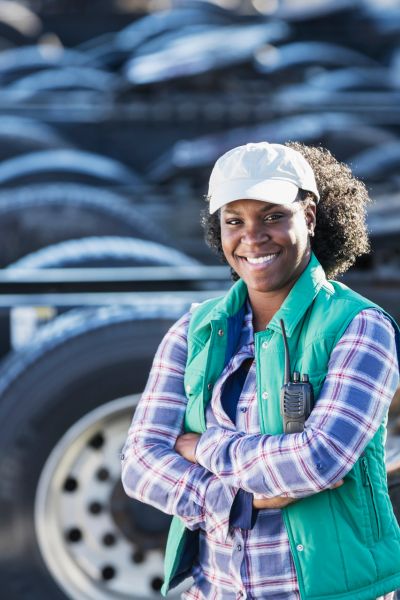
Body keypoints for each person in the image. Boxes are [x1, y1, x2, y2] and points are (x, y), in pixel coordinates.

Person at [121, 141, 400, 600]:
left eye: (273, 216)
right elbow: (140, 463)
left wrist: (204, 446)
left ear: (308, 216)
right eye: (235, 221)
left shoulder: (360, 326)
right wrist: (235, 502)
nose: (252, 237)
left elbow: (318, 461)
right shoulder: (195, 331)